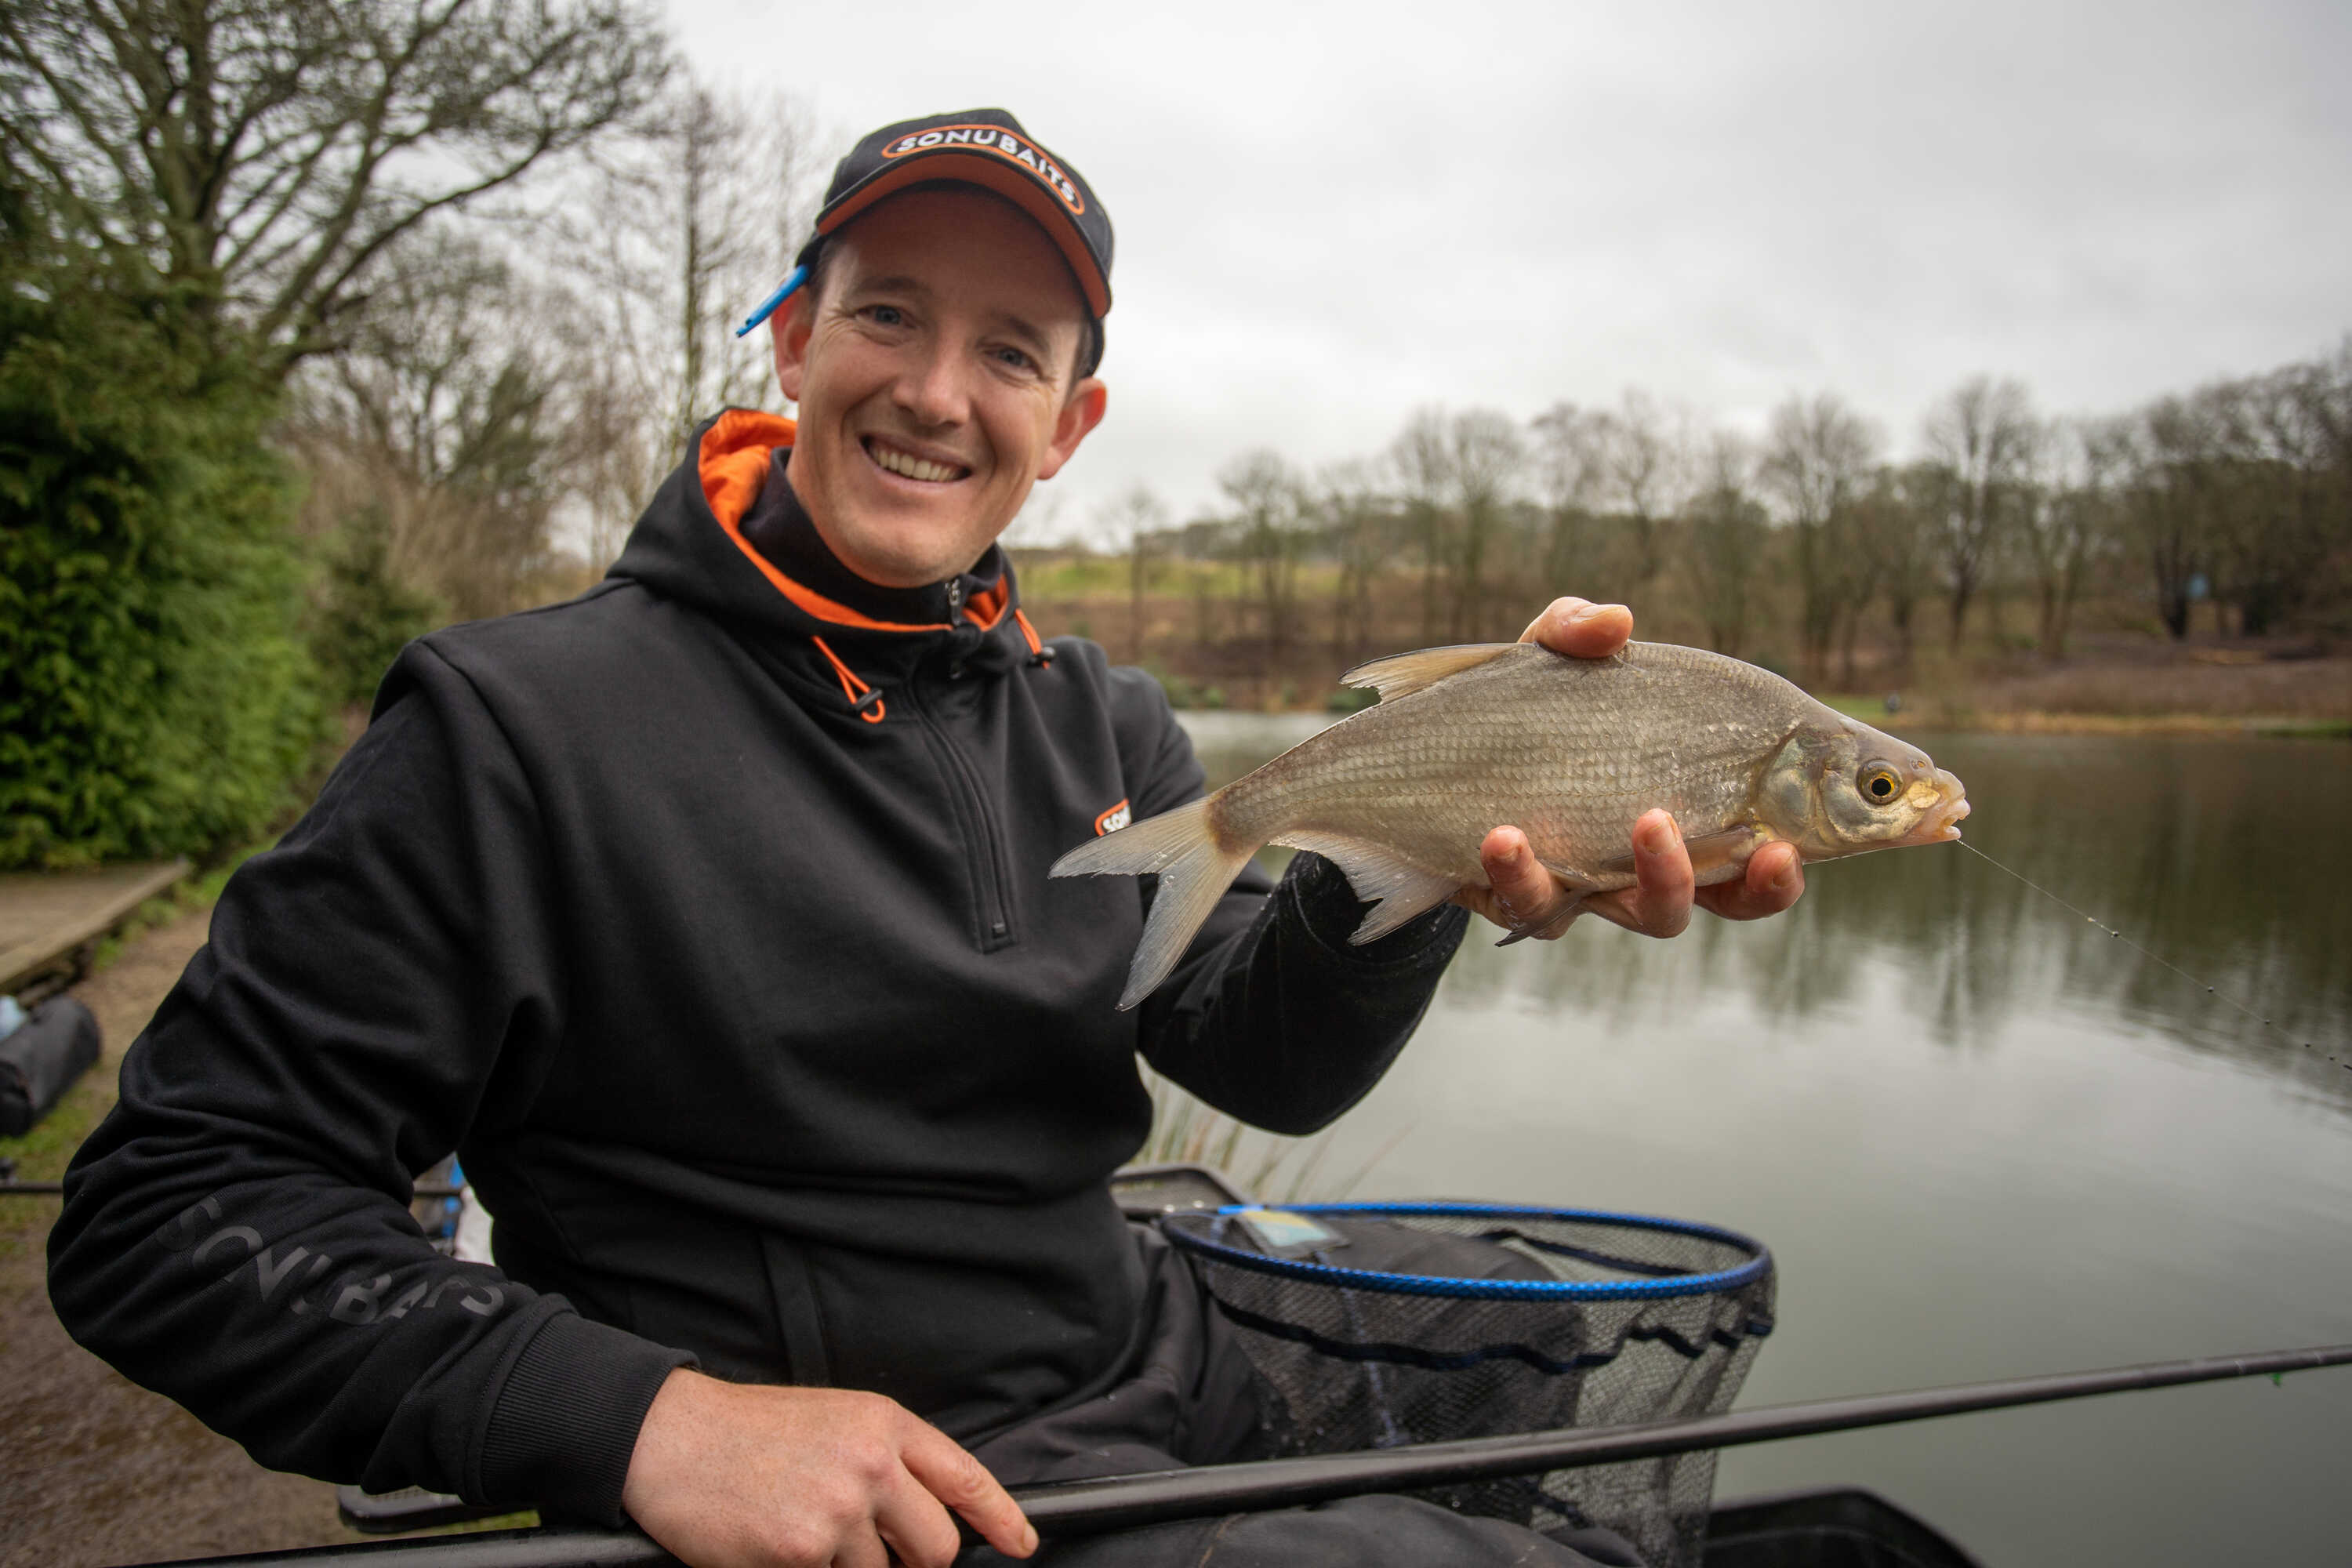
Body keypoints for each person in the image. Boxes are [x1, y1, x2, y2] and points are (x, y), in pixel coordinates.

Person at [48, 110, 1805, 1568]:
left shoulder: (1105, 719)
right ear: (797, 337)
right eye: (889, 316)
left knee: (1505, 1324)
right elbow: (171, 1209)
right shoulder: (513, 726)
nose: (937, 392)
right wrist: (643, 1418)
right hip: (901, 1493)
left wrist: (1440, 842)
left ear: (1069, 426)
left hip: (1140, 1361)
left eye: (1012, 353)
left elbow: (1257, 1064)